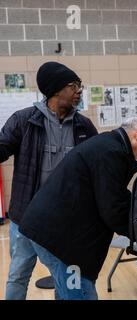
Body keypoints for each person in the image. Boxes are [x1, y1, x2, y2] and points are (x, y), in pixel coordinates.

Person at [18, 116, 137, 300]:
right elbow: (114, 213)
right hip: (60, 242)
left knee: (68, 294)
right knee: (82, 294)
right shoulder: (111, 152)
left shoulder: (109, 145)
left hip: (52, 233)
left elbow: (118, 196)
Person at [1, 61, 98, 300]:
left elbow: (97, 167)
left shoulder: (83, 126)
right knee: (18, 275)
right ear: (55, 90)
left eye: (80, 85)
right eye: (73, 85)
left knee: (63, 275)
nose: (79, 91)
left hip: (65, 221)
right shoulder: (24, 121)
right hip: (25, 218)